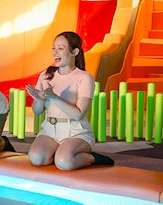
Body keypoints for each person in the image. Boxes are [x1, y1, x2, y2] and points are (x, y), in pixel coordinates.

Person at [25, 31, 108, 170]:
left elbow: (79, 114)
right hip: (50, 129)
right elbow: (37, 111)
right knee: (37, 158)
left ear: (74, 52)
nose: (55, 52)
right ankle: (60, 151)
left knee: (64, 162)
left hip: (75, 131)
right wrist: (39, 100)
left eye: (60, 48)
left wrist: (53, 97)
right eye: (54, 48)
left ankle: (92, 158)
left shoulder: (84, 77)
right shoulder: (46, 75)